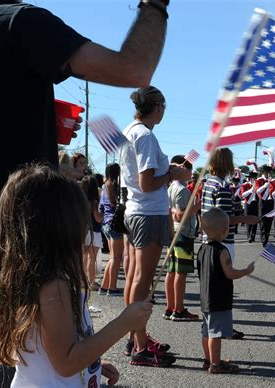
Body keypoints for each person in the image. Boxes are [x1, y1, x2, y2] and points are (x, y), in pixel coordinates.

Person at [0, 1, 169, 384]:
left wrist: (93, 365)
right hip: (10, 236)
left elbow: (51, 353)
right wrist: (155, 5)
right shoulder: (16, 22)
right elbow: (135, 67)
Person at [0, 165, 153, 387]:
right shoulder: (53, 286)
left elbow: (51, 350)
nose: (83, 227)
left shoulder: (32, 277)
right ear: (59, 226)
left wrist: (92, 363)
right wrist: (124, 323)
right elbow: (65, 362)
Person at [120, 86, 190, 367]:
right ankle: (139, 346)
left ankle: (134, 337)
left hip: (136, 211)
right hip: (147, 212)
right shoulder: (146, 135)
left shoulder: (130, 130)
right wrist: (173, 173)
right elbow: (148, 182)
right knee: (142, 280)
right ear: (157, 107)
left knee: (135, 277)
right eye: (164, 107)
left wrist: (168, 172)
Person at [201, 147, 259, 340]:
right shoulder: (222, 188)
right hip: (223, 240)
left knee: (210, 286)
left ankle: (210, 326)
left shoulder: (208, 184)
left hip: (207, 239)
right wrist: (246, 218)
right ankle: (223, 327)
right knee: (224, 286)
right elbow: (224, 219)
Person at [197, 208, 254, 374]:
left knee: (206, 331)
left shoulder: (202, 249)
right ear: (224, 230)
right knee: (216, 333)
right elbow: (230, 273)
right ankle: (216, 364)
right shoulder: (222, 250)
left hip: (205, 297)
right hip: (219, 298)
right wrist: (246, 270)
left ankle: (208, 359)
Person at [164, 155, 201, 322]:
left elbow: (171, 210)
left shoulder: (171, 186)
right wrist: (197, 206)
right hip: (183, 233)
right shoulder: (182, 190)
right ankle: (178, 309)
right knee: (181, 272)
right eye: (189, 170)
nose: (190, 174)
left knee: (171, 271)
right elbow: (180, 215)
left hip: (174, 233)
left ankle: (170, 306)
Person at [98, 163, 124, 296]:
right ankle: (112, 287)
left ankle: (105, 285)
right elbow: (117, 204)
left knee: (112, 257)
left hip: (106, 223)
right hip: (116, 223)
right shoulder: (115, 186)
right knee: (116, 258)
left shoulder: (103, 186)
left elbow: (101, 207)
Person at [80, 175, 104, 291]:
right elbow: (98, 218)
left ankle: (82, 281)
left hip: (83, 230)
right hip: (94, 231)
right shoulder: (94, 202)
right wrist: (103, 214)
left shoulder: (81, 199)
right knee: (92, 258)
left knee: (84, 256)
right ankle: (91, 283)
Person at [256, 164, 274, 247]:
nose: (268, 173)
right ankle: (263, 239)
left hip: (270, 202)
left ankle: (266, 238)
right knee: (263, 221)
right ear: (263, 172)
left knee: (269, 221)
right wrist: (265, 185)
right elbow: (258, 191)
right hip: (263, 202)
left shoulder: (272, 180)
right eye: (267, 171)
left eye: (269, 171)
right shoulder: (259, 180)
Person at [240, 171, 259, 243]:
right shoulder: (244, 185)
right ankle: (249, 236)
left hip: (256, 203)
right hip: (248, 203)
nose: (251, 179)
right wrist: (251, 190)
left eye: (253, 178)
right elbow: (243, 195)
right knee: (248, 220)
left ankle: (253, 236)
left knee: (255, 220)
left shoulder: (257, 185)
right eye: (250, 178)